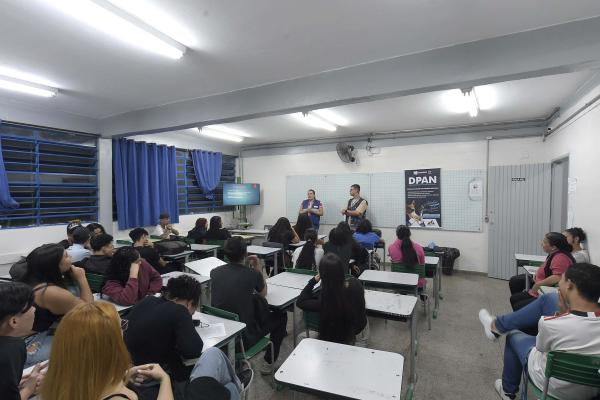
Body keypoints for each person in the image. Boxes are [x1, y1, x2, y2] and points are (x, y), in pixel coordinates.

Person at [478, 263, 600, 400]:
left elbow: (540, 348)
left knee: (513, 335)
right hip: (591, 390)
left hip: (551, 386)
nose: (559, 285)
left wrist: (561, 315)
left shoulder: (550, 324)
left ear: (569, 285)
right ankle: (496, 326)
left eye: (562, 279)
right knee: (549, 299)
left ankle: (507, 391)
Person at [125, 275, 248, 399]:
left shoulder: (147, 301)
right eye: (191, 314)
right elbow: (193, 350)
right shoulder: (179, 310)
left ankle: (234, 386)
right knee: (214, 355)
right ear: (189, 304)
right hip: (159, 382)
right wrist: (185, 323)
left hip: (134, 375)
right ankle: (236, 385)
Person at [40, 302, 174, 400]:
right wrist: (164, 380)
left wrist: (124, 376)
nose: (123, 331)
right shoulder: (119, 398)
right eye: (121, 326)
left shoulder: (56, 382)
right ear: (108, 344)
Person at [211, 237, 287, 375]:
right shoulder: (252, 273)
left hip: (220, 334)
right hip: (243, 338)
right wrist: (258, 267)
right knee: (281, 316)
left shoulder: (215, 272)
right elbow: (263, 293)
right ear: (245, 253)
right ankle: (268, 362)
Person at [22, 243, 93, 367]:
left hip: (18, 337)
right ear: (55, 266)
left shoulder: (30, 279)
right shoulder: (50, 292)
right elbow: (88, 309)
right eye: (66, 256)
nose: (71, 257)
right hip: (32, 342)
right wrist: (82, 278)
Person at [297, 253, 369, 346]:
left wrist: (313, 281)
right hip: (358, 335)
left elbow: (300, 301)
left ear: (322, 275)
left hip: (335, 339)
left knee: (300, 337)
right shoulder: (356, 283)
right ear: (341, 270)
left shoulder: (325, 300)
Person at [0, 282, 45, 400]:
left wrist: (12, 382)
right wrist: (29, 388)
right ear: (14, 321)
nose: (34, 309)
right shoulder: (11, 349)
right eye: (30, 306)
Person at [508, 232, 575, 311]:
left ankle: (524, 316)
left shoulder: (560, 258)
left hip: (545, 290)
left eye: (545, 242)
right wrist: (537, 273)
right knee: (515, 292)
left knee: (517, 303)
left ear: (553, 247)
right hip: (540, 285)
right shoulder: (554, 253)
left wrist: (538, 284)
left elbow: (557, 277)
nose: (541, 244)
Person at [388, 225, 427, 291]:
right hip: (416, 286)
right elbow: (422, 264)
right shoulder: (419, 248)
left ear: (397, 235)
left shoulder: (391, 248)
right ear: (409, 234)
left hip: (397, 284)